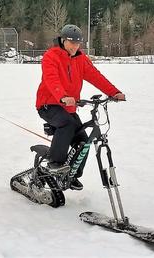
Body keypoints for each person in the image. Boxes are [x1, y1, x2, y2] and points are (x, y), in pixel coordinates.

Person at [36, 24, 125, 190]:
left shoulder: (81, 59)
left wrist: (114, 92)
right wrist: (62, 96)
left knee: (83, 140)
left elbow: (96, 77)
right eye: (71, 43)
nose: (74, 46)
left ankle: (71, 175)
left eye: (77, 43)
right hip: (49, 104)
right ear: (63, 41)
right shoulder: (51, 56)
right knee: (67, 124)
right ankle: (55, 163)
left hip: (69, 107)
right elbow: (51, 79)